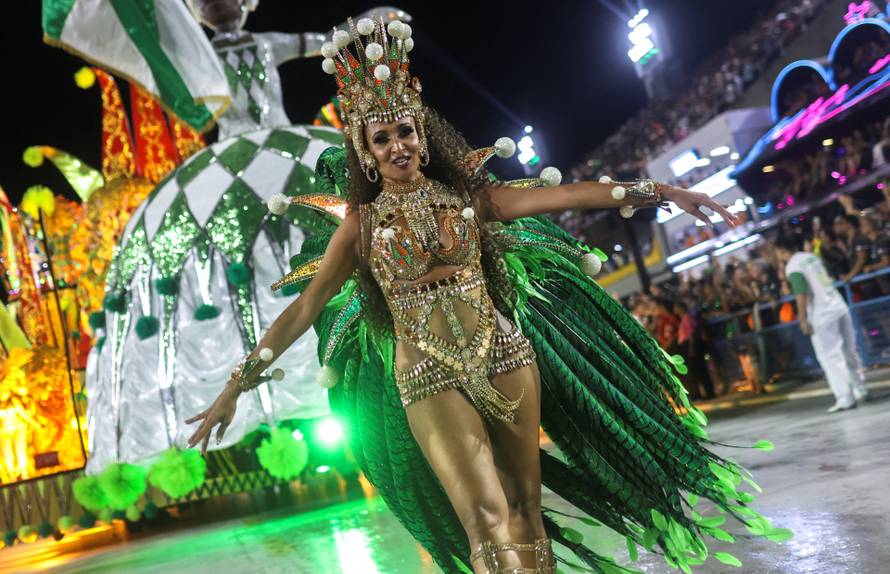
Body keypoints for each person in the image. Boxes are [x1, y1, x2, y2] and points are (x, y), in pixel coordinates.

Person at [186, 17, 779, 574]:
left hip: (505, 353)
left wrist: (665, 191)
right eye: (381, 137)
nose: (397, 146)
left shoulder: (472, 199)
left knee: (524, 507)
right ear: (365, 150)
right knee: (484, 521)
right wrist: (236, 384)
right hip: (426, 373)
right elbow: (306, 307)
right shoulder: (359, 229)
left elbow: (568, 194)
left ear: (422, 134)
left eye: (405, 131)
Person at [775, 232, 870, 413]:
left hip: (822, 314)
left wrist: (802, 318)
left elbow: (801, 292)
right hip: (838, 305)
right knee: (849, 351)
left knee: (830, 357)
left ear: (781, 250)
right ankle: (861, 389)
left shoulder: (793, 266)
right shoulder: (811, 257)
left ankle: (845, 397)